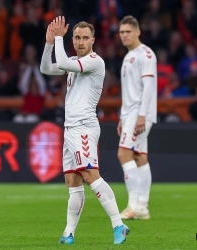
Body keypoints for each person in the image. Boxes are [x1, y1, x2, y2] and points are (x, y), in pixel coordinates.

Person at [40, 16, 129, 245]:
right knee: (73, 182)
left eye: (85, 38)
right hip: (70, 128)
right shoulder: (71, 60)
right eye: (77, 38)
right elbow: (46, 68)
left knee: (91, 175)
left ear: (93, 40)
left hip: (84, 128)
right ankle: (69, 234)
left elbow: (62, 64)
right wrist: (50, 43)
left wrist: (58, 39)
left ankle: (118, 224)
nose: (81, 42)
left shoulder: (95, 62)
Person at [117, 15, 157, 220]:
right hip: (131, 113)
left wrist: (141, 115)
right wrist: (123, 117)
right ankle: (143, 207)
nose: (124, 35)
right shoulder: (128, 56)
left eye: (128, 32)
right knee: (140, 156)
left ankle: (132, 206)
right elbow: (129, 92)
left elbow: (148, 87)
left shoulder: (146, 54)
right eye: (121, 32)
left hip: (140, 113)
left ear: (138, 32)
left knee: (124, 154)